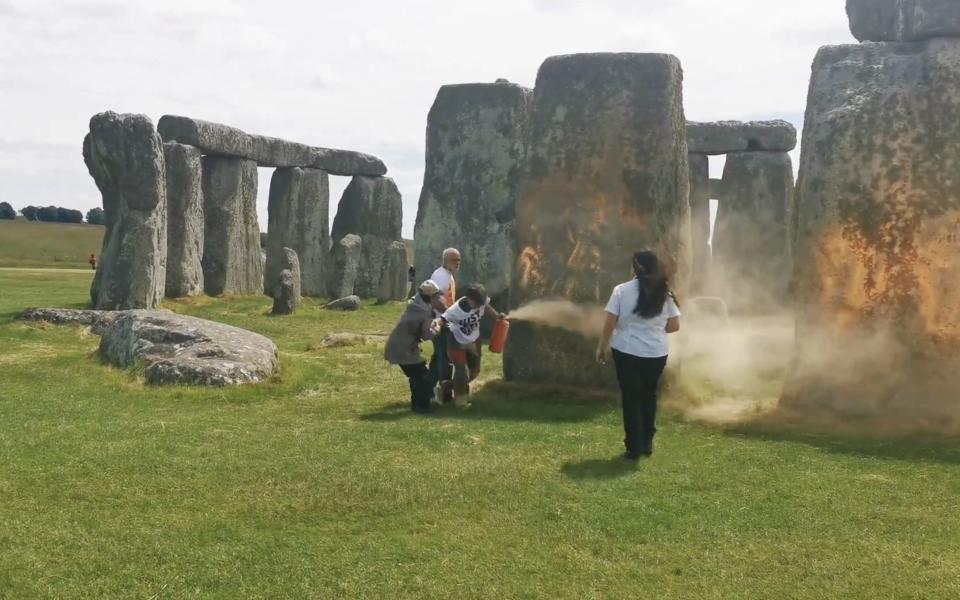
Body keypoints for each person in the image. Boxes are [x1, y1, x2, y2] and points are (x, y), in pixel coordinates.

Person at [596, 250, 680, 461]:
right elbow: (674, 326)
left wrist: (602, 346)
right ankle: (647, 443)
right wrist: (654, 330)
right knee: (649, 395)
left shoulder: (621, 291)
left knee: (631, 398)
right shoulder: (665, 292)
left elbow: (610, 322)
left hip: (627, 351)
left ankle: (633, 447)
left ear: (634, 268)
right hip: (656, 354)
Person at [384, 280, 447, 414]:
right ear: (429, 298)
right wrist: (439, 326)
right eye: (436, 296)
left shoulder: (416, 305)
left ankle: (420, 404)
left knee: (418, 375)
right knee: (421, 376)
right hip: (403, 348)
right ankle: (422, 406)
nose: (438, 298)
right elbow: (427, 335)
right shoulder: (423, 313)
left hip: (400, 345)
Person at [440, 283, 506, 407]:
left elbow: (486, 306)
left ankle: (447, 386)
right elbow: (442, 320)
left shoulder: (481, 301)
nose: (480, 305)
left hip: (474, 340)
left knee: (474, 372)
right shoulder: (454, 311)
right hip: (456, 341)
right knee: (461, 372)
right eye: (478, 303)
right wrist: (442, 325)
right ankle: (461, 401)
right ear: (469, 299)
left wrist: (497, 315)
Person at [429, 248, 461, 402]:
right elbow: (436, 300)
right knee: (445, 359)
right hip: (441, 323)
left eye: (459, 260)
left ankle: (428, 390)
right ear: (446, 260)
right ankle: (445, 396)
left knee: (438, 359)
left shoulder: (448, 275)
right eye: (455, 260)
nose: (458, 263)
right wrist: (450, 316)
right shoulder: (441, 276)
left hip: (444, 321)